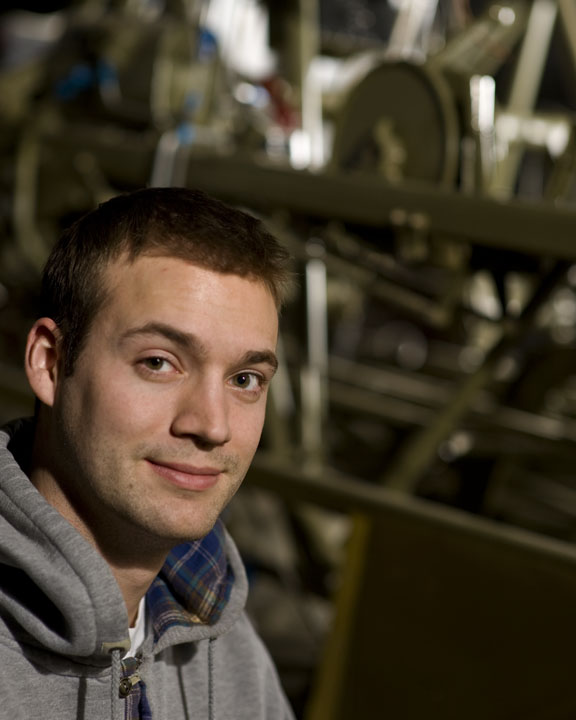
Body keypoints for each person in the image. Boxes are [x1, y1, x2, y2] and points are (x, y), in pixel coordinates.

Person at [0, 187, 295, 719]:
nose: (211, 425)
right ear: (49, 364)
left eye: (245, 379)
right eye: (159, 363)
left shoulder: (223, 643)